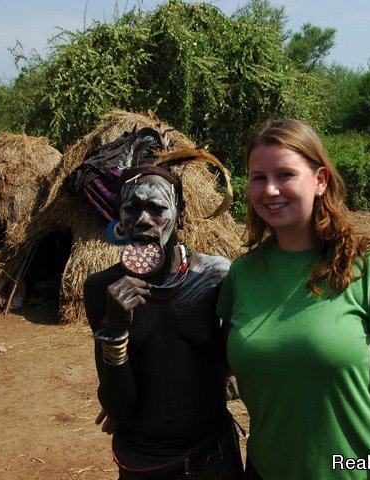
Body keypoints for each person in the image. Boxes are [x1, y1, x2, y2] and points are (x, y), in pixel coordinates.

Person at [217, 119, 370, 480]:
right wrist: (131, 382)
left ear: (320, 180)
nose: (270, 190)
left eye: (285, 174)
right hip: (263, 473)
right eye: (258, 177)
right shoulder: (243, 274)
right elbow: (209, 365)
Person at [84, 162, 243, 480]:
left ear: (180, 214)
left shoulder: (214, 277)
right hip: (142, 461)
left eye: (157, 208)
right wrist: (114, 330)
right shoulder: (102, 288)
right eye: (132, 208)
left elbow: (233, 354)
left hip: (213, 453)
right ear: (120, 217)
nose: (143, 220)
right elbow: (118, 408)